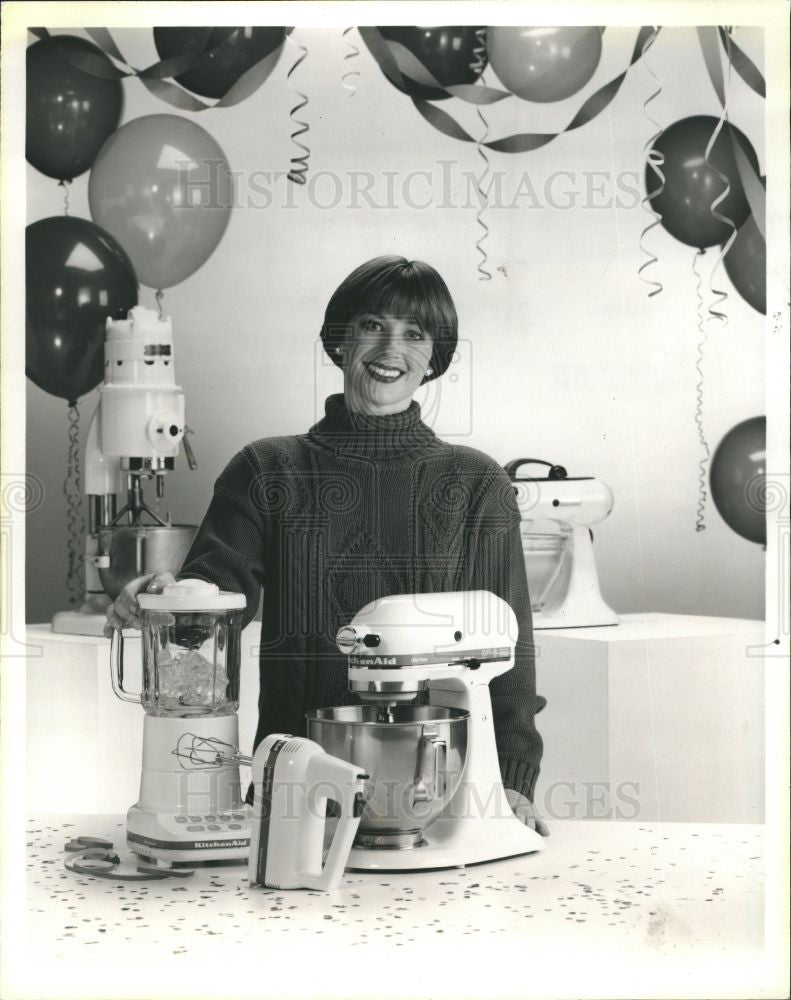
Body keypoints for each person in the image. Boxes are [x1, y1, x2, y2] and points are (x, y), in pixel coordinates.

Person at [105, 255, 549, 835]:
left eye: (415, 334)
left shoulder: (476, 484)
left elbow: (510, 653)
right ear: (339, 340)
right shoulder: (266, 469)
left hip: (437, 791)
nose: (392, 348)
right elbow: (213, 601)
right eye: (372, 325)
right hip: (293, 785)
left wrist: (512, 782)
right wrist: (163, 603)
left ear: (435, 358)